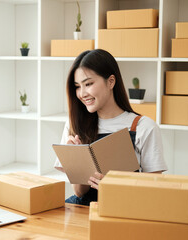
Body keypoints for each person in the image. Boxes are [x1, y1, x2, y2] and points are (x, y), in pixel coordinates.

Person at [54, 49, 167, 206]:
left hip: (124, 211)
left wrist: (116, 187)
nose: (82, 93)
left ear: (111, 82)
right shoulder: (74, 125)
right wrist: (78, 161)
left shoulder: (143, 127)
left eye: (88, 84)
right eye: (77, 86)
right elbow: (79, 192)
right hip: (85, 210)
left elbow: (155, 189)